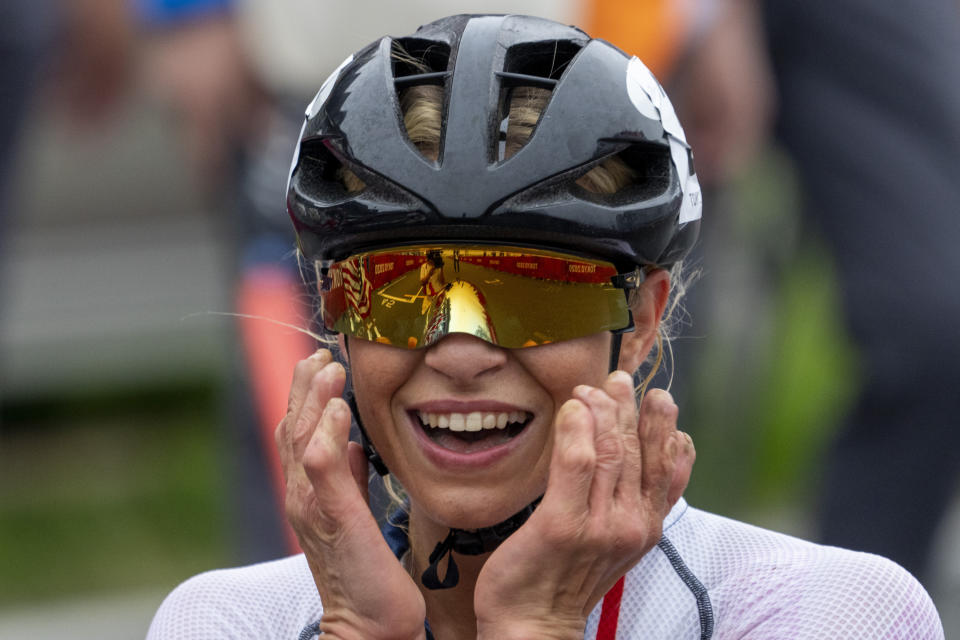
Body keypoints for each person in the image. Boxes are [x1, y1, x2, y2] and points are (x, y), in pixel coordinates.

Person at [146, 15, 944, 639]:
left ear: (642, 318)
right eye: (394, 289)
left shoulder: (829, 613)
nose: (459, 352)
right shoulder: (220, 623)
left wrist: (538, 627)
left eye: (535, 292)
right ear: (335, 314)